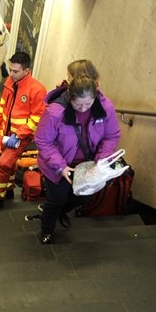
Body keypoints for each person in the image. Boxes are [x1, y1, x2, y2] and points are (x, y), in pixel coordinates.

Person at [35, 74, 121, 244]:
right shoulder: (55, 111)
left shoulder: (105, 107)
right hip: (58, 164)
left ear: (95, 97)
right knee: (56, 198)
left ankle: (61, 212)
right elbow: (43, 140)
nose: (83, 109)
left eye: (88, 104)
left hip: (87, 163)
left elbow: (112, 135)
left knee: (84, 195)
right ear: (70, 97)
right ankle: (47, 229)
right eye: (77, 104)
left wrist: (100, 160)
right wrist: (61, 166)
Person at [0, 51, 46, 213]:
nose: (10, 74)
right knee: (9, 165)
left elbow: (36, 119)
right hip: (6, 134)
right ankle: (10, 189)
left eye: (15, 71)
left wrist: (18, 135)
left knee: (4, 164)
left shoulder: (37, 90)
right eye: (10, 69)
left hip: (21, 136)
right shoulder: (10, 82)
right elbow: (2, 105)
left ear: (26, 71)